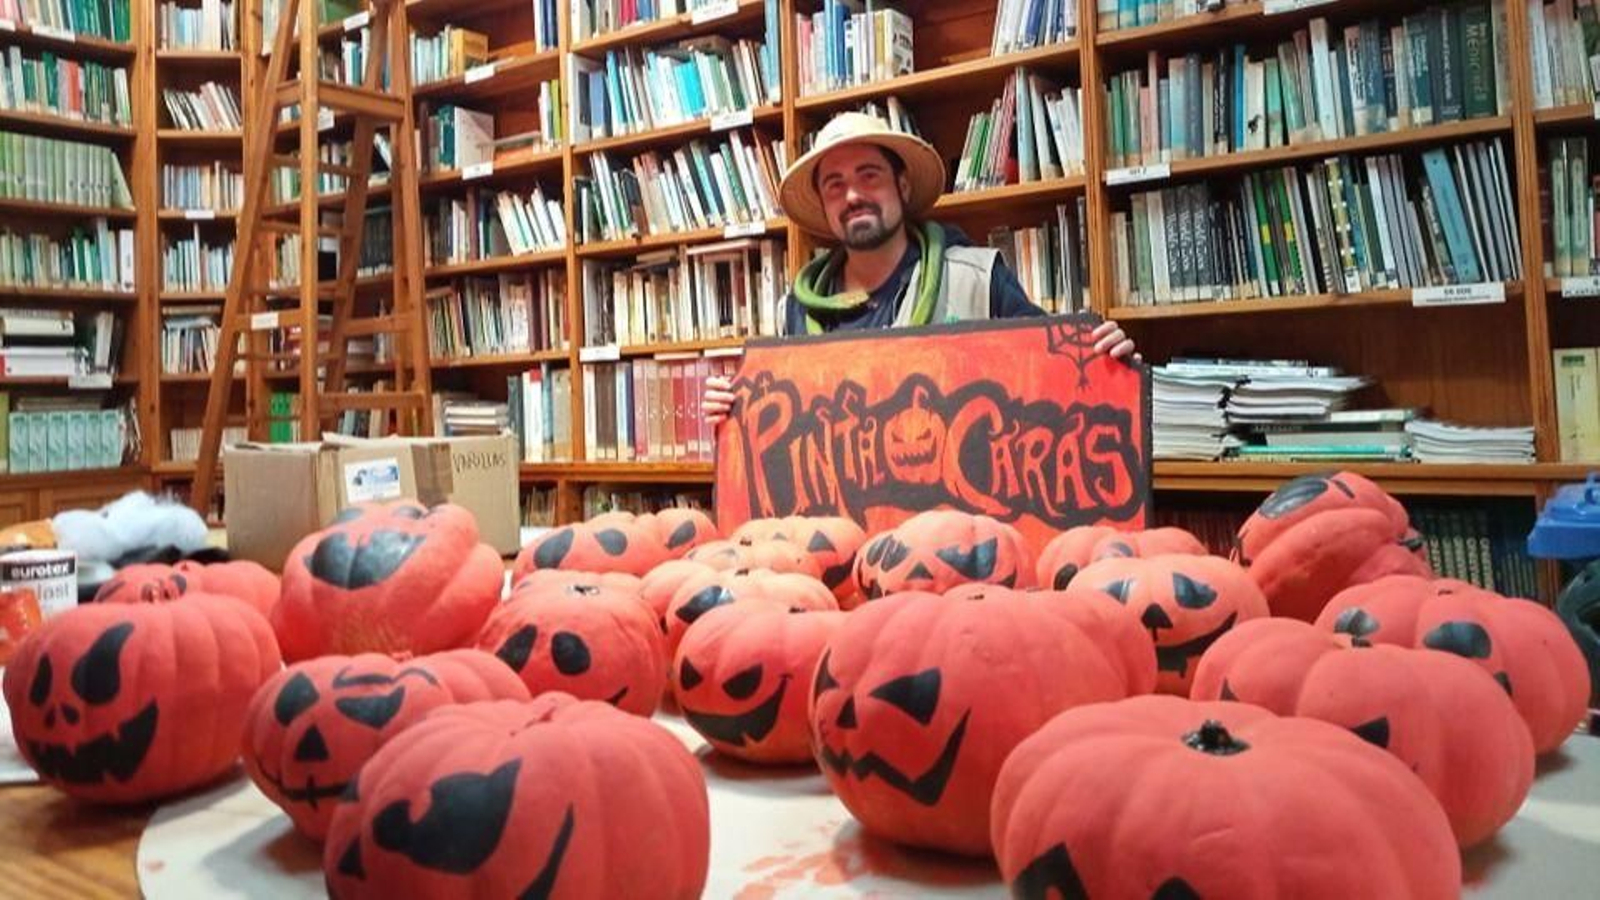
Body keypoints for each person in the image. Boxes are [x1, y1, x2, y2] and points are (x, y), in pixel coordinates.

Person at [703, 112, 1137, 426]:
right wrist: (734, 406)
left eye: (869, 175)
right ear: (823, 203)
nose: (852, 195)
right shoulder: (794, 311)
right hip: (839, 517)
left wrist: (1107, 363)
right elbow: (787, 426)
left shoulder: (977, 279)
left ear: (903, 185)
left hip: (959, 514)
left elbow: (1057, 375)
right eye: (835, 185)